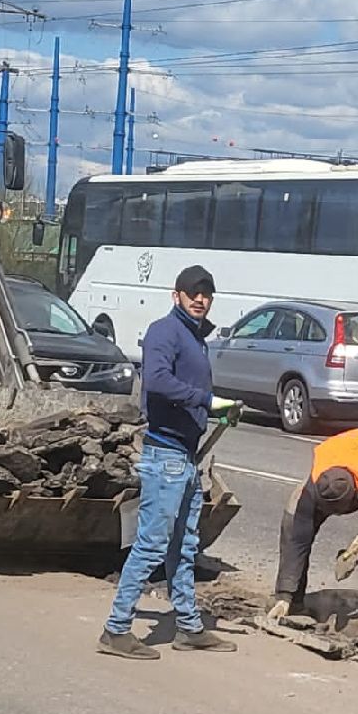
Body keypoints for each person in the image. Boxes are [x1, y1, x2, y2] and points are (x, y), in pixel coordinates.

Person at [99, 265, 241, 660]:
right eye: (193, 292)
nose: (200, 299)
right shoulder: (166, 331)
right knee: (151, 544)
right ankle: (116, 629)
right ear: (175, 295)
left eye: (206, 294)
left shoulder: (195, 338)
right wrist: (207, 401)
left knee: (184, 544)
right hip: (165, 456)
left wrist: (218, 409)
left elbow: (187, 390)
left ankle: (189, 627)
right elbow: (158, 380)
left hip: (186, 457)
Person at [268, 427, 358, 627]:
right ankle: (293, 599)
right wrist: (284, 595)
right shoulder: (315, 485)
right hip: (342, 453)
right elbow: (298, 538)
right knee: (292, 516)